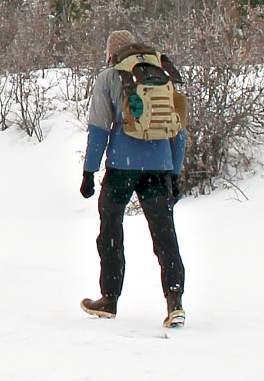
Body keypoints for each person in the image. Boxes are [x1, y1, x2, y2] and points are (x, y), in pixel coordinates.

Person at [78, 30, 190, 328]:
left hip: (121, 167)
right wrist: (174, 173)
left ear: (110, 53)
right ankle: (175, 301)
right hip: (159, 165)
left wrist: (89, 172)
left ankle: (109, 299)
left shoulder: (109, 77)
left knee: (111, 229)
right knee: (164, 234)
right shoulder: (162, 73)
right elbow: (179, 130)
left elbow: (99, 129)